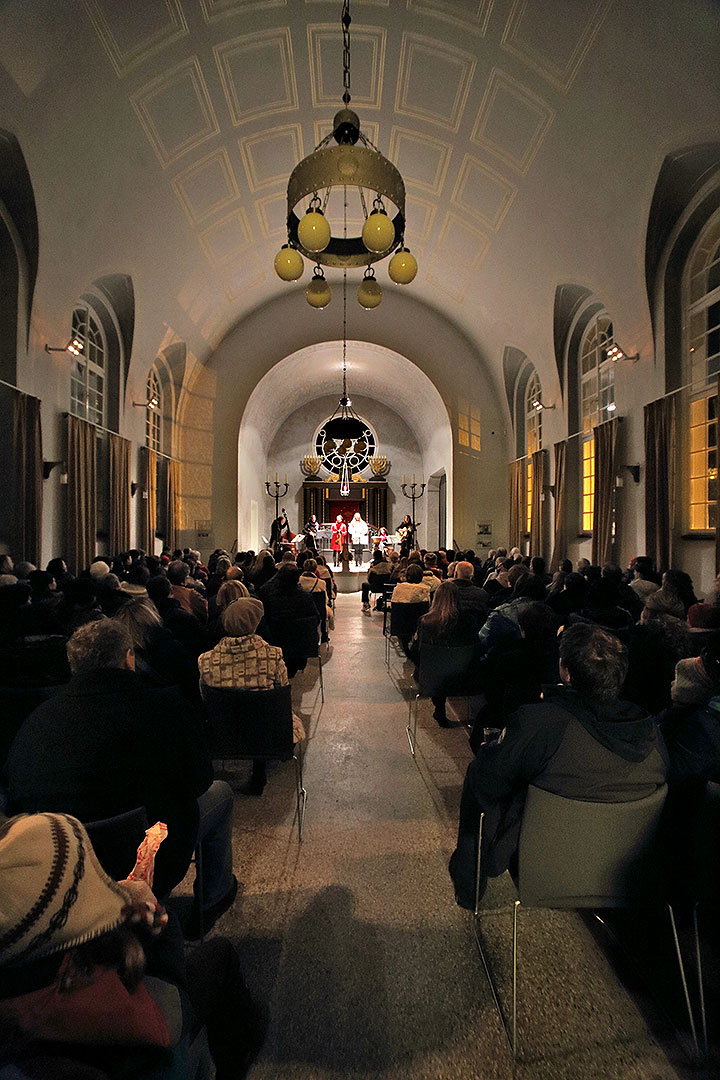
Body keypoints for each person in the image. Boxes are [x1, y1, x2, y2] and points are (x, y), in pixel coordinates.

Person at [6, 619, 236, 939]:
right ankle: (214, 897)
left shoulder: (36, 723)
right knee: (221, 793)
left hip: (59, 873)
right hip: (154, 860)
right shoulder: (166, 709)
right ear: (128, 659)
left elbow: (16, 798)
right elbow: (200, 780)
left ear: (74, 666)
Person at [0, 812, 263, 1080]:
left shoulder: (26, 967)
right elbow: (168, 1014)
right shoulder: (89, 994)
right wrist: (157, 917)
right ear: (62, 922)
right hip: (151, 1044)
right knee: (222, 955)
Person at [449, 622, 668, 908]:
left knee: (478, 775)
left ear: (564, 670)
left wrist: (492, 752)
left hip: (544, 862)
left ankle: (469, 881)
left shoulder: (541, 724)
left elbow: (489, 781)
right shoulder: (653, 734)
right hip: (627, 872)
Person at [199, 597, 306, 795]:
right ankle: (259, 771)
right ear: (255, 622)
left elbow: (204, 696)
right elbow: (283, 692)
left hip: (223, 733)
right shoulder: (273, 655)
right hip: (267, 733)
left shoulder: (205, 660)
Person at [409, 580, 481, 726]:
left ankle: (439, 709)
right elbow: (476, 647)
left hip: (432, 679)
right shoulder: (469, 620)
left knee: (436, 667)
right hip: (464, 676)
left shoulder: (425, 621)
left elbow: (416, 652)